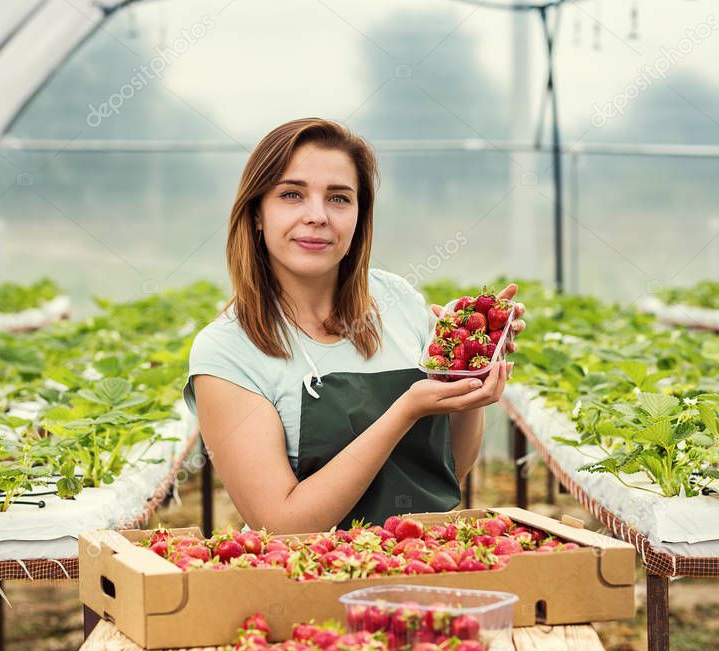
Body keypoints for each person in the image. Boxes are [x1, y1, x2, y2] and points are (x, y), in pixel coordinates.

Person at [181, 118, 525, 533]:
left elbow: (449, 469)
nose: (317, 216)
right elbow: (283, 524)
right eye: (292, 194)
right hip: (313, 583)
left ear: (360, 215)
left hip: (430, 564)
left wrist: (470, 372)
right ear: (256, 213)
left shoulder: (397, 302)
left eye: (339, 198)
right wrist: (404, 411)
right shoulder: (228, 350)